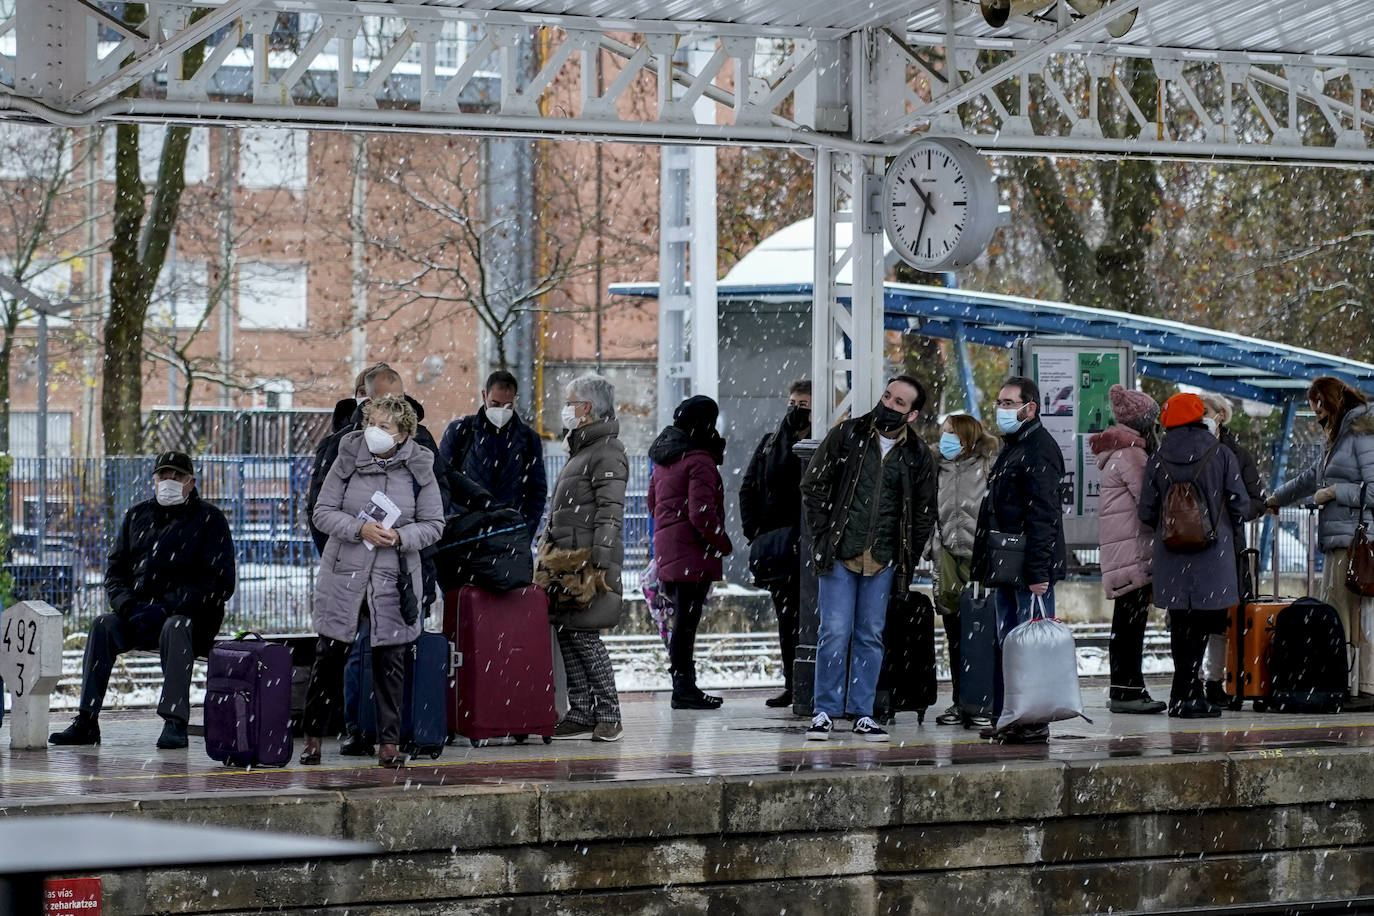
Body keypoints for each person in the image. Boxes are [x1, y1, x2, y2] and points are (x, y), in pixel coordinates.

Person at [50, 451, 236, 750]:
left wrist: (169, 607)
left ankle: (175, 722)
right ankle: (87, 719)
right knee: (103, 626)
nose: (170, 481)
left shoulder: (209, 519)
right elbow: (115, 572)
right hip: (140, 615)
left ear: (191, 482)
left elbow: (219, 583)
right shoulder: (137, 516)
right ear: (153, 480)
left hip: (191, 621)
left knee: (174, 628)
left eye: (177, 476)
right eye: (164, 475)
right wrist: (128, 606)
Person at [302, 395, 445, 768]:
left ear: (402, 434)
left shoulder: (419, 469)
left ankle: (389, 744)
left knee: (390, 660)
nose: (374, 432)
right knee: (329, 656)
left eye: (384, 426)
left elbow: (434, 525)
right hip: (344, 572)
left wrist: (400, 537)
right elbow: (322, 512)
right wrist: (358, 528)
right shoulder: (346, 457)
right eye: (372, 423)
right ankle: (313, 737)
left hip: (393, 576)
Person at [799, 376, 937, 742]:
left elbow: (924, 511)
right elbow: (813, 485)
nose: (889, 405)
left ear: (912, 414)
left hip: (883, 558)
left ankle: (862, 711)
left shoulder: (917, 455)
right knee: (834, 632)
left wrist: (906, 553)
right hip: (842, 552)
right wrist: (824, 533)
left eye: (899, 403)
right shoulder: (848, 435)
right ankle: (825, 710)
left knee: (870, 635)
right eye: (888, 396)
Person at [969, 377, 1067, 744]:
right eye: (999, 402)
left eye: (1009, 403)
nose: (1002, 409)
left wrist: (1039, 571)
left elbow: (1044, 515)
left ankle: (1030, 719)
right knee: (1011, 643)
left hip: (1027, 567)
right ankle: (1011, 715)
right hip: (1009, 565)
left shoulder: (1038, 448)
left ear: (1031, 408)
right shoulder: (1016, 446)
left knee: (1027, 646)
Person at [1138, 392, 1248, 719]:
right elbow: (1241, 504)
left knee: (1181, 624)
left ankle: (1182, 693)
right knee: (1203, 623)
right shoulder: (1220, 453)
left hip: (1172, 555)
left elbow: (1146, 510)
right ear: (1200, 416)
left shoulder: (1157, 457)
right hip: (1212, 555)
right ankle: (1191, 695)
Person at [1266, 376, 1374, 707]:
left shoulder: (1362, 434)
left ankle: (1363, 687)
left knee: (1352, 615)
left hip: (1358, 542)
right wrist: (1275, 499)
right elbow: (1309, 478)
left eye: (1319, 406)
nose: (1316, 415)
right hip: (1337, 541)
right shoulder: (1339, 438)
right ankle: (1346, 684)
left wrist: (1333, 493)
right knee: (1339, 613)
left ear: (1331, 402)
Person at [535, 374, 628, 742]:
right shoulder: (583, 450)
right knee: (569, 633)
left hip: (587, 562)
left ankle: (609, 715)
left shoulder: (607, 451)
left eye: (570, 402)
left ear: (586, 408)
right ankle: (582, 711)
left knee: (586, 637)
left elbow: (611, 510)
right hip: (566, 562)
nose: (566, 408)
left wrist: (601, 560)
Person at [648, 394, 734, 710]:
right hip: (693, 552)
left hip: (670, 549)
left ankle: (683, 683)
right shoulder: (699, 461)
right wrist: (722, 542)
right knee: (687, 620)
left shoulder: (665, 458)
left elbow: (652, 504)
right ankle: (684, 686)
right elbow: (701, 512)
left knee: (682, 620)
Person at [1089, 385, 1167, 715]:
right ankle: (1127, 691)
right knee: (1130, 626)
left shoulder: (1118, 450)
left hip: (1122, 549)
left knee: (1125, 623)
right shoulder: (1133, 454)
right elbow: (1147, 501)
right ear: (1144, 422)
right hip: (1133, 551)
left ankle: (1124, 689)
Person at [739, 379, 811, 708]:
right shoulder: (772, 442)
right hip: (779, 546)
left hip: (811, 545)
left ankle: (815, 683)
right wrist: (756, 532)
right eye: (793, 403)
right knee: (787, 618)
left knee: (815, 616)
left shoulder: (826, 442)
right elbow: (749, 487)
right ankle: (793, 683)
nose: (796, 410)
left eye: (804, 405)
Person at [1198, 391, 1265, 706]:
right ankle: (1197, 679)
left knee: (1220, 620)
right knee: (1196, 618)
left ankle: (1215, 680)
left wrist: (1231, 512)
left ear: (1220, 415)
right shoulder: (1188, 447)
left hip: (1227, 545)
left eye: (1205, 410)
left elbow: (1256, 501)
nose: (1200, 416)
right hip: (1195, 545)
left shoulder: (1237, 454)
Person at [931, 412, 998, 727]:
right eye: (943, 432)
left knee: (982, 635)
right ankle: (961, 701)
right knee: (954, 634)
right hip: (946, 558)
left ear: (968, 438)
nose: (945, 438)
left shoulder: (987, 465)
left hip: (979, 560)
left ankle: (983, 702)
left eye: (952, 433)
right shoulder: (935, 468)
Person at [439, 369, 548, 541]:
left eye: (507, 405)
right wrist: (452, 524)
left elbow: (536, 491)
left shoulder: (527, 439)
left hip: (508, 536)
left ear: (514, 401)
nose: (501, 411)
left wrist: (523, 532)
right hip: (465, 534)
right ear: (484, 396)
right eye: (495, 403)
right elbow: (442, 482)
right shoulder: (461, 431)